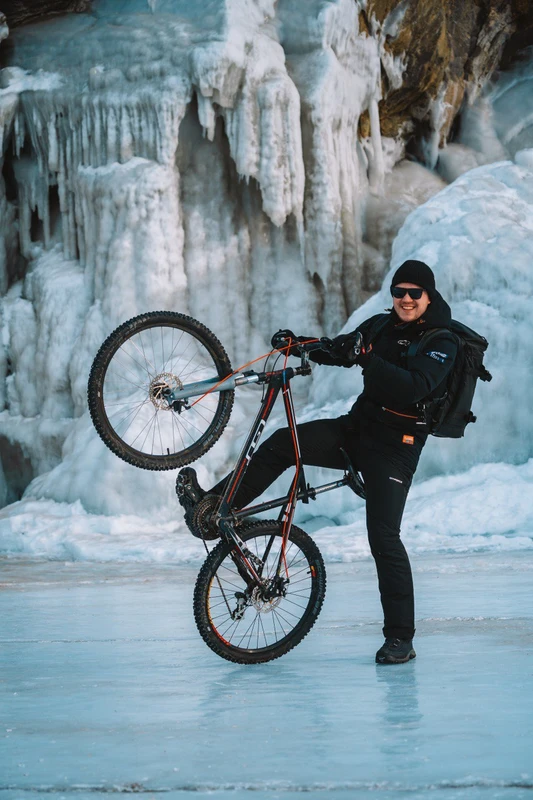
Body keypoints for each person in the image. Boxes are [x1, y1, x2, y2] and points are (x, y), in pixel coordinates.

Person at [177, 260, 457, 664]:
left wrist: (367, 359)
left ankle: (401, 638)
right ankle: (217, 507)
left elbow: (415, 386)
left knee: (384, 537)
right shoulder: (380, 327)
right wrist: (301, 344)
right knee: (281, 443)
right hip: (356, 430)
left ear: (429, 296)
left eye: (415, 293)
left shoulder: (440, 340)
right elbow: (339, 349)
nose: (406, 300)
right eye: (400, 292)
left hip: (396, 448)